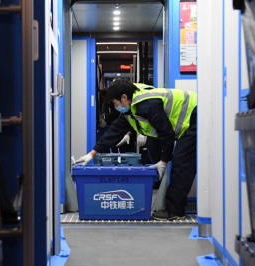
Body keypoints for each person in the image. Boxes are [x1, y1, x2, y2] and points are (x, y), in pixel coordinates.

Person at [74, 79, 197, 221]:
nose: (115, 107)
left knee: (181, 162)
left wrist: (163, 161)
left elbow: (166, 133)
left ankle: (175, 211)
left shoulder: (147, 105)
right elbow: (113, 133)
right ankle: (175, 208)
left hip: (196, 115)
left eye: (115, 103)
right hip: (188, 121)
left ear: (124, 97)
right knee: (180, 160)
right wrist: (91, 154)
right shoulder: (130, 109)